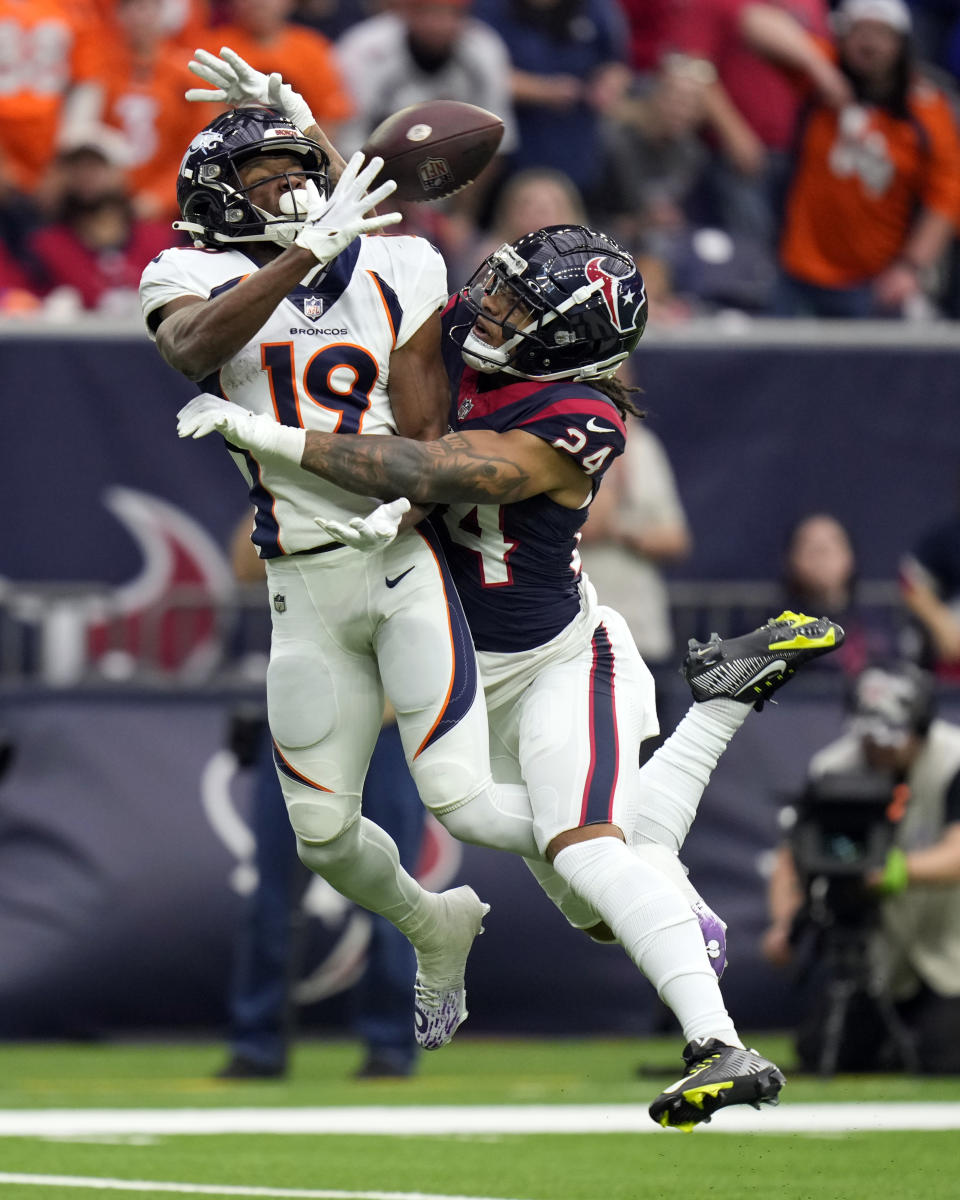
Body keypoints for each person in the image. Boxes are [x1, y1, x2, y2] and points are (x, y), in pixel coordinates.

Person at [175, 111, 846, 1124]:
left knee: (587, 855)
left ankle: (722, 1047)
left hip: (561, 661)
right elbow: (364, 276)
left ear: (568, 337)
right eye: (497, 282)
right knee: (594, 897)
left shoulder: (580, 420)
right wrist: (312, 144)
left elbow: (421, 464)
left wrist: (266, 436)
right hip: (458, 659)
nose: (484, 302)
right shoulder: (459, 332)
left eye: (515, 302)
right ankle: (717, 709)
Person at [141, 57, 549, 1057]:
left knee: (461, 798)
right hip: (303, 589)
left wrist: (405, 497)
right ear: (214, 195)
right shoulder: (184, 272)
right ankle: (429, 921)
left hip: (399, 564)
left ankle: (638, 857)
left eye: (299, 169)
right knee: (323, 840)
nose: (291, 188)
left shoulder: (398, 264)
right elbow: (196, 347)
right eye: (266, 177)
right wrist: (298, 250)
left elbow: (424, 429)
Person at [218, 521, 424, 1081]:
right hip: (296, 727)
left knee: (390, 896)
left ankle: (390, 1045)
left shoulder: (395, 504)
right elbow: (241, 566)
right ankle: (257, 1042)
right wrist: (271, 477)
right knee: (272, 896)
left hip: (377, 731)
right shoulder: (293, 502)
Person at [761, 661, 960, 1074]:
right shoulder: (833, 769)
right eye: (868, 735)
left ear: (919, 728)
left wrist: (892, 872)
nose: (877, 748)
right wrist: (784, 924)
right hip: (877, 951)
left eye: (889, 737)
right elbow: (793, 855)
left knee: (944, 1056)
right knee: (822, 1051)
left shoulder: (953, 761)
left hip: (949, 944)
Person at [776, 0, 960, 318]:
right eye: (860, 31)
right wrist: (820, 71)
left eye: (881, 34)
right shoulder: (824, 75)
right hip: (798, 271)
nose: (869, 43)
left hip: (873, 280)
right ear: (843, 37)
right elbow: (754, 22)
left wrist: (911, 266)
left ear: (901, 44)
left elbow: (947, 196)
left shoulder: (927, 109)